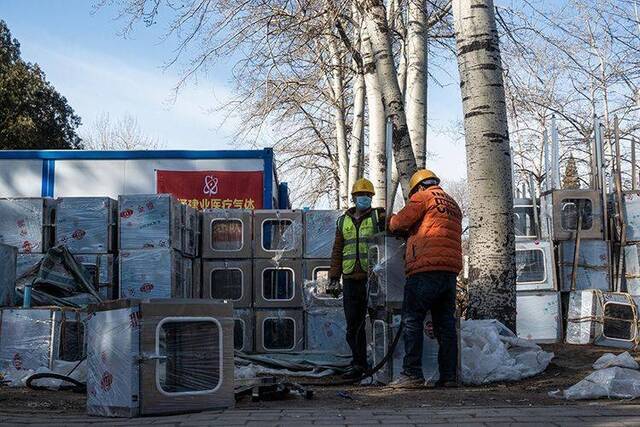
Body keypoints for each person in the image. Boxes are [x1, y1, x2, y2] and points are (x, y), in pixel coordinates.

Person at [387, 169, 463, 388]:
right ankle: (449, 377)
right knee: (445, 325)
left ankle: (412, 374)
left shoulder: (423, 197)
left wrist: (389, 219)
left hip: (424, 269)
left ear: (418, 187)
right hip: (449, 271)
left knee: (412, 320)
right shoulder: (452, 203)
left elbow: (399, 223)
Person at [328, 178, 385, 379]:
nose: (365, 198)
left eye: (368, 196)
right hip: (351, 279)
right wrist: (333, 277)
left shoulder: (379, 217)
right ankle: (358, 363)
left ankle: (382, 363)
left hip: (375, 281)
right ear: (354, 198)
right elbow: (337, 250)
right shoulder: (343, 221)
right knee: (354, 325)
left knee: (380, 321)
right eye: (362, 195)